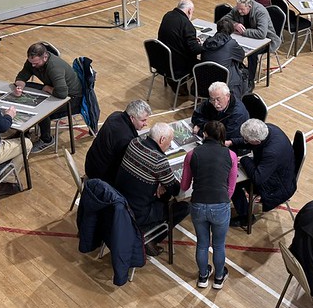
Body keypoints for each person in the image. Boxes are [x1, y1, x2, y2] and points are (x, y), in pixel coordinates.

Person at [114, 122, 189, 256]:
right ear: (162, 140)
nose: (170, 146)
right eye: (169, 142)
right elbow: (175, 190)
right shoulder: (159, 161)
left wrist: (159, 183)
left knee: (163, 196)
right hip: (138, 212)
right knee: (183, 207)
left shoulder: (135, 142)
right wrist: (163, 184)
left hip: (119, 201)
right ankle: (150, 237)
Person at [180, 121, 238, 289]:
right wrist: (221, 201)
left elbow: (184, 186)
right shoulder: (231, 155)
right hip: (220, 204)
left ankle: (203, 276)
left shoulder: (192, 154)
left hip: (198, 204)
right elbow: (231, 188)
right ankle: (219, 278)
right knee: (219, 245)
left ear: (204, 134)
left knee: (202, 244)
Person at [13, 42, 83, 154]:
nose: (33, 66)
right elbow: (22, 75)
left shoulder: (54, 68)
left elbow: (62, 93)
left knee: (42, 108)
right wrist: (19, 87)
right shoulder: (33, 62)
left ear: (45, 57)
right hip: (54, 89)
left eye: (35, 63)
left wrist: (48, 89)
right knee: (26, 92)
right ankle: (24, 130)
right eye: (31, 63)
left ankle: (47, 140)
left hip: (72, 98)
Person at [230, 118, 297, 227]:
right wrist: (231, 142)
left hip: (276, 187)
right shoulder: (268, 129)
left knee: (233, 182)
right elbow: (249, 142)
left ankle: (246, 217)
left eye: (246, 140)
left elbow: (257, 178)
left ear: (257, 142)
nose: (245, 141)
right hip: (275, 172)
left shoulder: (271, 152)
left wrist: (243, 159)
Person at [84, 99, 151, 185]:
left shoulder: (115, 115)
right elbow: (126, 167)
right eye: (143, 120)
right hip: (100, 177)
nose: (145, 124)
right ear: (132, 118)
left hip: (91, 164)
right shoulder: (126, 138)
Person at [229, 0, 281, 81]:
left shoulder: (260, 12)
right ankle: (237, 72)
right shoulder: (238, 8)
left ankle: (250, 81)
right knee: (231, 46)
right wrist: (235, 24)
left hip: (267, 41)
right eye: (238, 9)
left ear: (249, 6)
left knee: (252, 53)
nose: (239, 11)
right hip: (248, 38)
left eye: (242, 10)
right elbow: (223, 20)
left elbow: (261, 34)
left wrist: (243, 32)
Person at [200, 16, 251, 99]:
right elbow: (241, 56)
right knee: (243, 71)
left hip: (205, 81)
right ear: (231, 30)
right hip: (225, 84)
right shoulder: (231, 44)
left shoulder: (207, 41)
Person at [191, 81, 249, 148]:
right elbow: (195, 117)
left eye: (218, 99)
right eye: (212, 99)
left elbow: (224, 138)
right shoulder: (211, 100)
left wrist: (200, 131)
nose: (215, 104)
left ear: (228, 96)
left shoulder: (238, 114)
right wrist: (210, 127)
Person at [157, 0, 202, 83]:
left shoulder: (167, 15)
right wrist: (204, 46)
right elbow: (195, 50)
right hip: (177, 65)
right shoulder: (186, 24)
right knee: (203, 63)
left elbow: (174, 36)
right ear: (189, 11)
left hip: (162, 60)